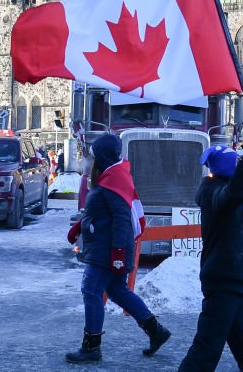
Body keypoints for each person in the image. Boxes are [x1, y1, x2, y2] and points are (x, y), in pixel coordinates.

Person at [65, 133, 170, 364]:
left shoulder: (113, 181)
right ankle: (156, 331)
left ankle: (92, 346)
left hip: (108, 251)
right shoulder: (112, 177)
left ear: (101, 157)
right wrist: (79, 227)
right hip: (108, 248)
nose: (89, 160)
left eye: (92, 156)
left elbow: (121, 219)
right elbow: (101, 213)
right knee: (117, 291)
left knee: (91, 290)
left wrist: (118, 255)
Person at [178, 127, 243, 372]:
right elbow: (236, 191)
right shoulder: (215, 193)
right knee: (205, 352)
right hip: (223, 282)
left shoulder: (219, 190)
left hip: (233, 281)